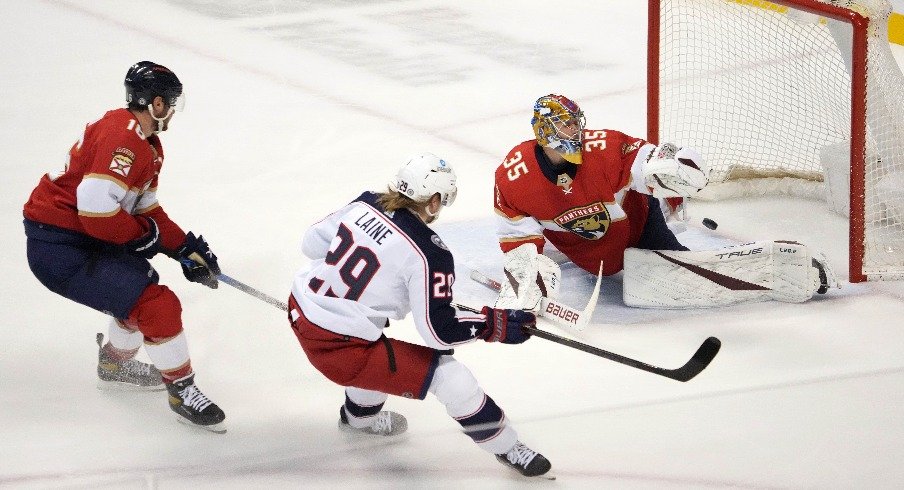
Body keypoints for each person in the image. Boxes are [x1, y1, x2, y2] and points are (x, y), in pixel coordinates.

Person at [287, 153, 552, 477]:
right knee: (450, 377)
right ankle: (508, 448)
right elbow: (437, 332)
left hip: (300, 308)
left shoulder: (366, 203)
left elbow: (311, 244)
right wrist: (492, 325)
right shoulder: (430, 252)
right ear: (434, 200)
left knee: (378, 357)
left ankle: (357, 420)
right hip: (342, 349)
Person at [23, 61, 226, 433]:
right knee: (157, 304)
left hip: (78, 236)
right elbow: (97, 210)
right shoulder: (126, 140)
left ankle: (115, 365)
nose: (175, 111)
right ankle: (182, 392)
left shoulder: (144, 140)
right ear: (158, 104)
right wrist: (143, 237)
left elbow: (144, 209)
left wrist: (184, 247)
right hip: (62, 247)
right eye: (173, 103)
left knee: (138, 282)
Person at [492, 94, 837, 310]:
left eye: (575, 124)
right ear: (544, 133)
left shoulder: (604, 148)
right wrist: (526, 282)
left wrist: (674, 167)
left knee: (690, 279)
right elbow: (518, 238)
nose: (575, 133)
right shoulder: (513, 176)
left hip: (640, 228)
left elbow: (647, 162)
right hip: (589, 257)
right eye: (565, 127)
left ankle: (783, 271)